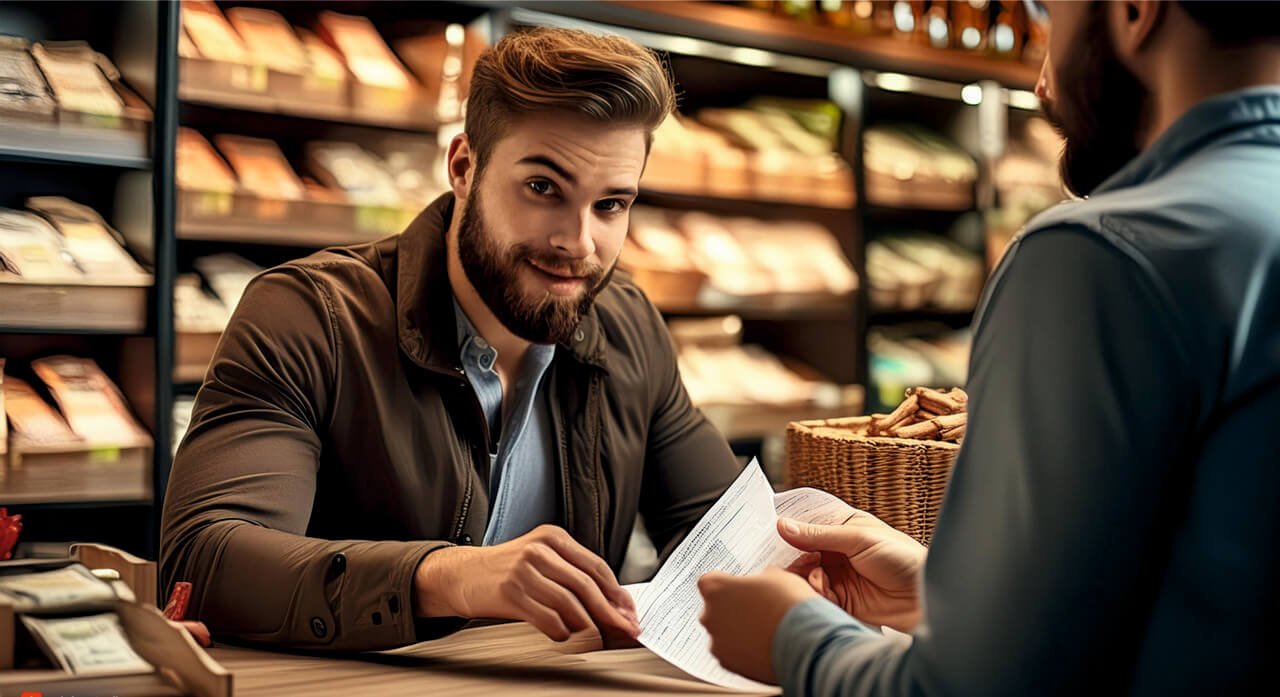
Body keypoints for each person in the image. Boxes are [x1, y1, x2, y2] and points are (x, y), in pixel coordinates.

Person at [698, 1, 1280, 694]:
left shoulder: (1100, 255)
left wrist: (795, 639)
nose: (1039, 80)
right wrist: (949, 596)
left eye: (1053, 11)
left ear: (1134, 11)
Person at [161, 27, 742, 651]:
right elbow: (204, 561)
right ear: (464, 167)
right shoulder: (310, 316)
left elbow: (724, 537)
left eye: (610, 205)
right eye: (543, 188)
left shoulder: (627, 327)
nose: (578, 242)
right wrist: (445, 577)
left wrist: (825, 540)